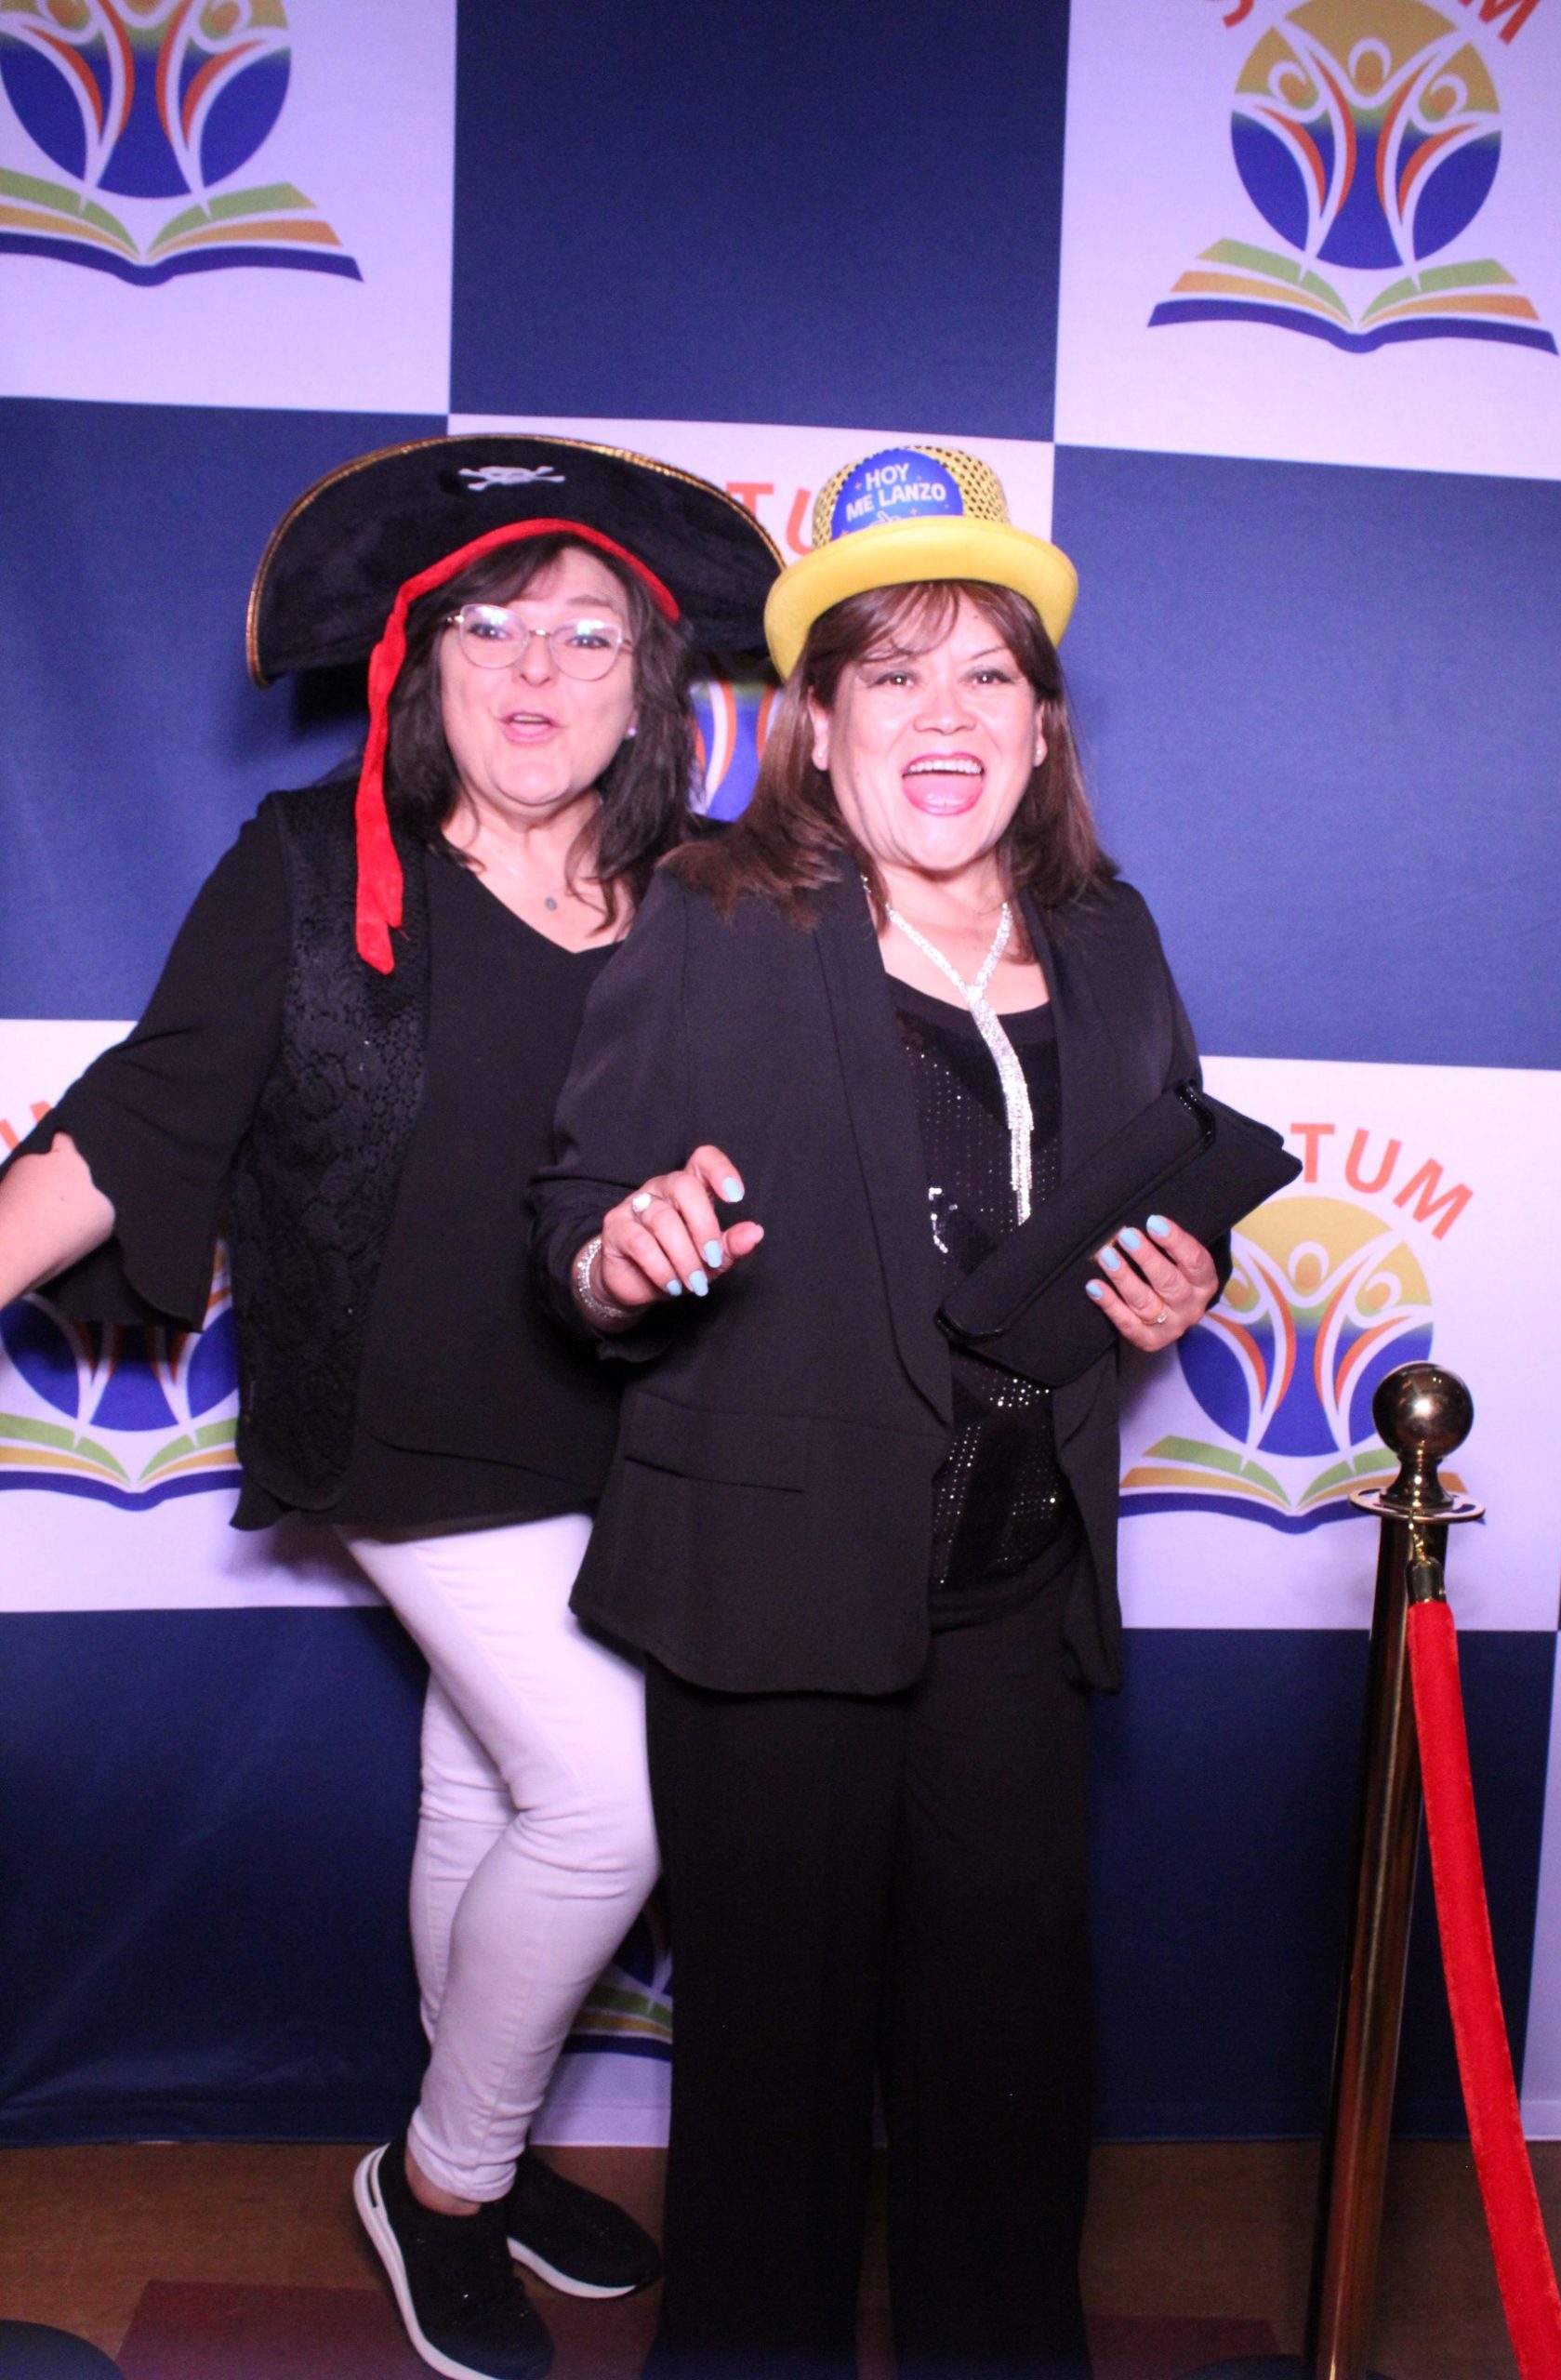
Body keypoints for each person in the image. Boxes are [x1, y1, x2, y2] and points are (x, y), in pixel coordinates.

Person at [0, 436, 780, 2380]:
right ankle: (443, 2182)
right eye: (489, 626)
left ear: (649, 683)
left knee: (487, 1787)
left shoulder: (700, 895)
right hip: (404, 1415)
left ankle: (471, 2154)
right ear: (421, 665)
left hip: (635, 1414)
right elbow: (139, 1121)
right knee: (606, 1797)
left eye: (584, 632)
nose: (535, 667)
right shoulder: (303, 860)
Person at [530, 445, 1224, 2380]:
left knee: (1010, 2079)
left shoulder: (1109, 935)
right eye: (891, 674)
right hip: (771, 1590)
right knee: (772, 2094)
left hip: (1012, 1590)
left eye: (985, 674)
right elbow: (573, 1220)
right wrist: (622, 1253)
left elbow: (1159, 1185)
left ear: (1041, 728)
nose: (943, 715)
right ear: (818, 727)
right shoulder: (714, 911)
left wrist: (1177, 1283)